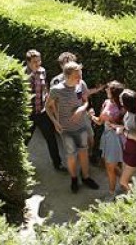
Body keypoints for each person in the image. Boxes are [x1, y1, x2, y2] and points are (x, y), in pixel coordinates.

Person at [46, 62, 100, 193]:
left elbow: (86, 101)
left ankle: (86, 177)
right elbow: (47, 107)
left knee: (84, 152)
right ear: (68, 76)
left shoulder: (80, 85)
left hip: (81, 126)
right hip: (66, 130)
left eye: (80, 74)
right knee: (71, 156)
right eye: (77, 75)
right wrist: (55, 122)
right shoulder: (56, 90)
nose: (80, 78)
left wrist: (81, 108)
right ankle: (74, 179)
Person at [25, 50, 65, 171]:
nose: (37, 63)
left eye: (39, 61)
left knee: (51, 138)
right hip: (29, 114)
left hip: (42, 112)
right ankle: (17, 165)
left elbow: (45, 88)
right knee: (24, 140)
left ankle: (57, 164)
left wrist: (49, 100)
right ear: (28, 62)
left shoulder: (42, 71)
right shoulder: (23, 75)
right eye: (34, 62)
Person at [90, 81, 126, 200]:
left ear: (113, 93)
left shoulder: (107, 107)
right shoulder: (124, 105)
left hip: (112, 138)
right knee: (113, 163)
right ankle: (125, 180)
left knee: (110, 167)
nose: (106, 90)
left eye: (108, 89)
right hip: (120, 137)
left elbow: (99, 121)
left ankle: (111, 193)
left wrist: (90, 115)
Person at [118, 89, 136, 192]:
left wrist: (124, 132)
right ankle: (130, 198)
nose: (120, 102)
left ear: (125, 103)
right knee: (126, 178)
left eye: (121, 100)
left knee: (123, 181)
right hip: (128, 148)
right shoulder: (128, 113)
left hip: (135, 150)